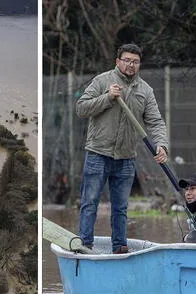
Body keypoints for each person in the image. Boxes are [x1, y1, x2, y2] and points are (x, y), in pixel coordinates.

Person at [75, 43, 169, 254]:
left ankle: (119, 246)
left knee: (121, 208)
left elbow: (155, 122)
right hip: (98, 153)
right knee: (90, 202)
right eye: (126, 60)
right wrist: (107, 98)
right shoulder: (102, 81)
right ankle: (85, 244)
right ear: (118, 61)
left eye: (135, 61)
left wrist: (162, 144)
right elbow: (81, 108)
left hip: (126, 158)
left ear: (139, 65)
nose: (130, 65)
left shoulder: (145, 90)